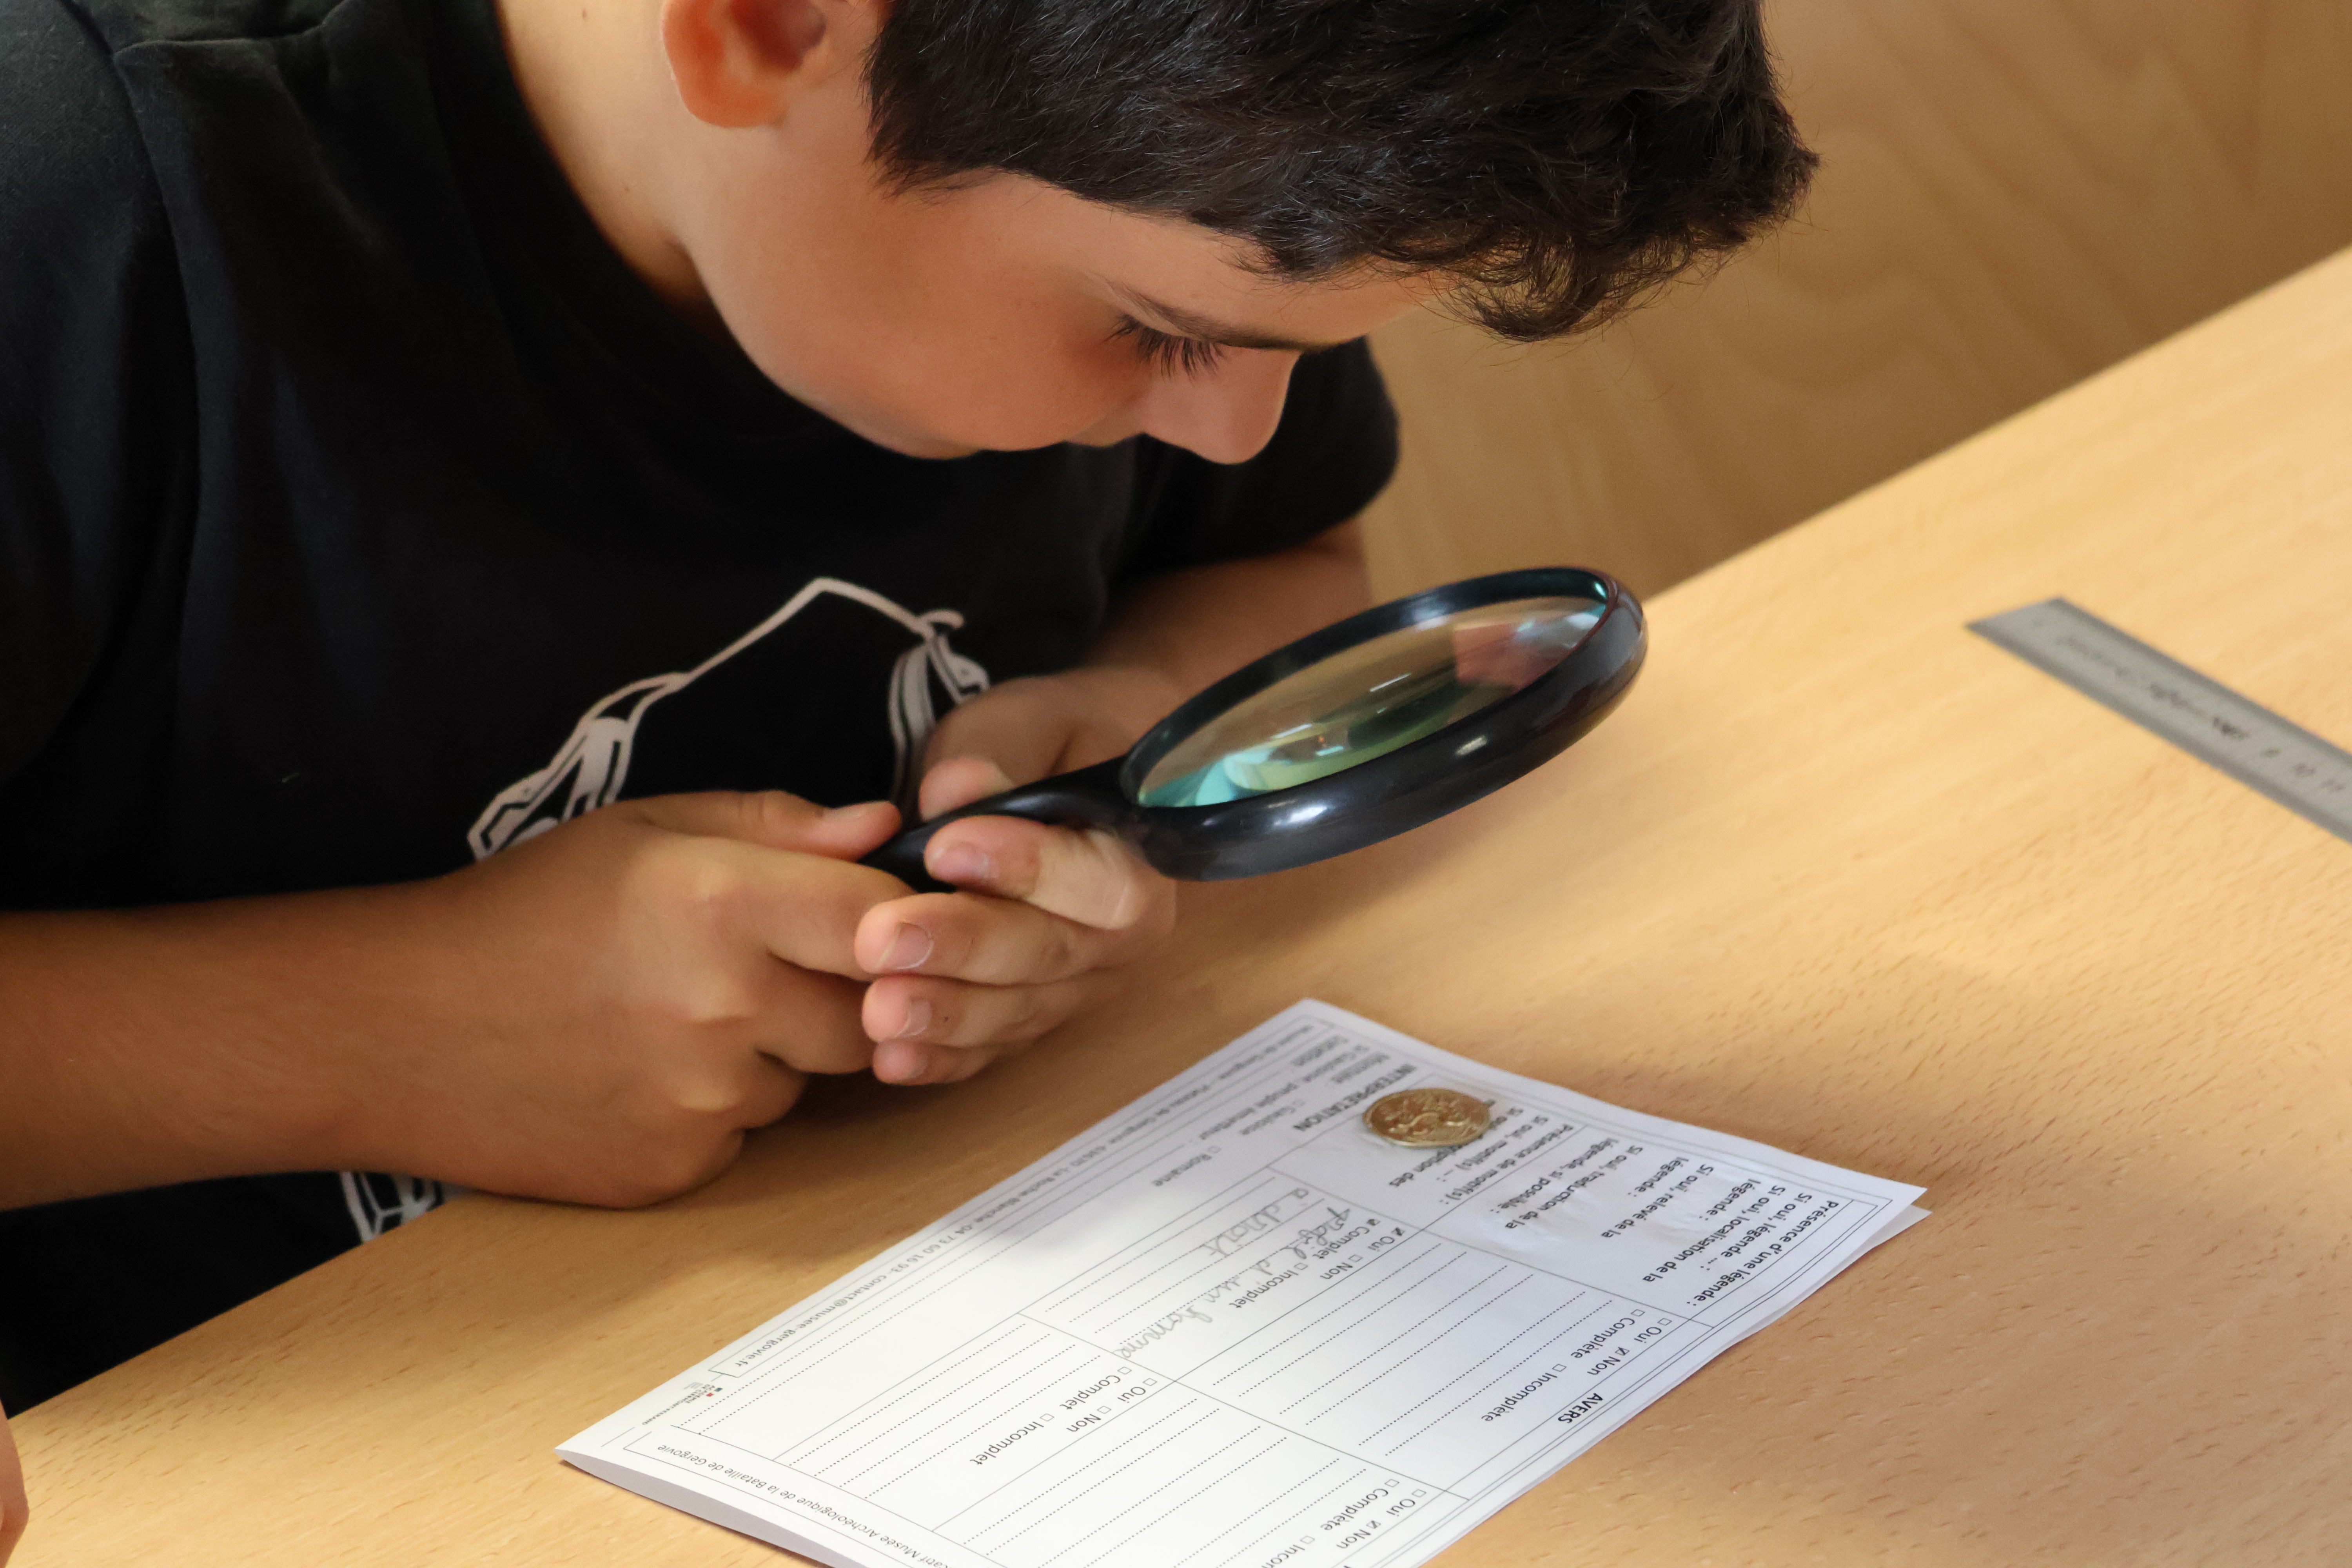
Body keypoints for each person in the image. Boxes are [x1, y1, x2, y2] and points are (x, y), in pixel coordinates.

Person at [0, 0, 1815, 1426]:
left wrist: (1134, 735)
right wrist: (381, 1035)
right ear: (771, 24)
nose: (1235, 424)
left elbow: (1283, 555)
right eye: (1155, 331)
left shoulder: (1190, 171)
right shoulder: (80, 218)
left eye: (1311, 345)